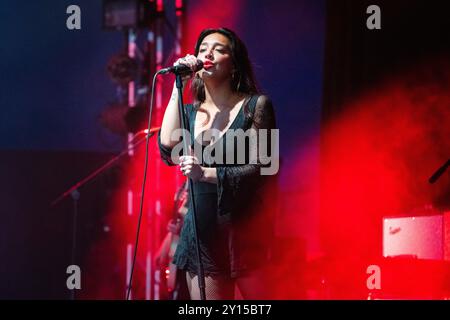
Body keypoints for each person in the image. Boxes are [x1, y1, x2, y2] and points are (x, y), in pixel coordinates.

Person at [158, 27, 278, 300]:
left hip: (244, 233)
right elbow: (167, 145)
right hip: (203, 235)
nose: (208, 53)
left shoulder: (255, 107)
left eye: (219, 49)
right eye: (202, 49)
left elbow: (264, 166)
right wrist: (180, 84)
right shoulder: (189, 112)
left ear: (234, 64)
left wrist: (207, 173)